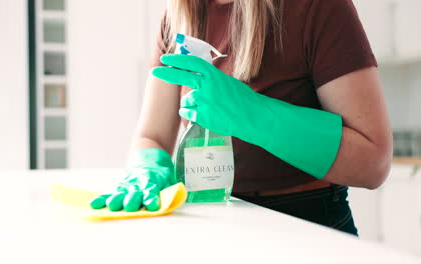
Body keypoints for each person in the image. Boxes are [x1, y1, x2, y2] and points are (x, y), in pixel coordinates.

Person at [91, 0, 392, 236]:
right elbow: (152, 135)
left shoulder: (318, 6)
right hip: (211, 217)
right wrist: (148, 167)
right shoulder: (177, 17)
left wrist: (252, 113)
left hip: (307, 222)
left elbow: (373, 163)